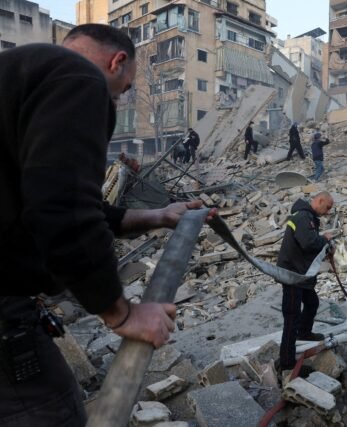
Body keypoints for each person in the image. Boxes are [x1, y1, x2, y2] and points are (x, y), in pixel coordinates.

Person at [0, 24, 211, 427]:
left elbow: (60, 198)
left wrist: (158, 216)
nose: (115, 99)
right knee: (53, 413)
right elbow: (63, 208)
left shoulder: (20, 75)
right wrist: (121, 314)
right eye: (122, 91)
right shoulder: (79, 78)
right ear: (118, 62)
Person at [276, 192, 334, 373]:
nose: (327, 212)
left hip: (300, 274)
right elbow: (308, 243)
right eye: (327, 207)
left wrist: (324, 247)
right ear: (319, 200)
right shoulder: (303, 217)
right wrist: (324, 240)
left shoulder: (307, 217)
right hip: (293, 275)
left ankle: (304, 332)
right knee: (292, 316)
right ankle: (287, 363)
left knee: (312, 302)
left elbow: (307, 245)